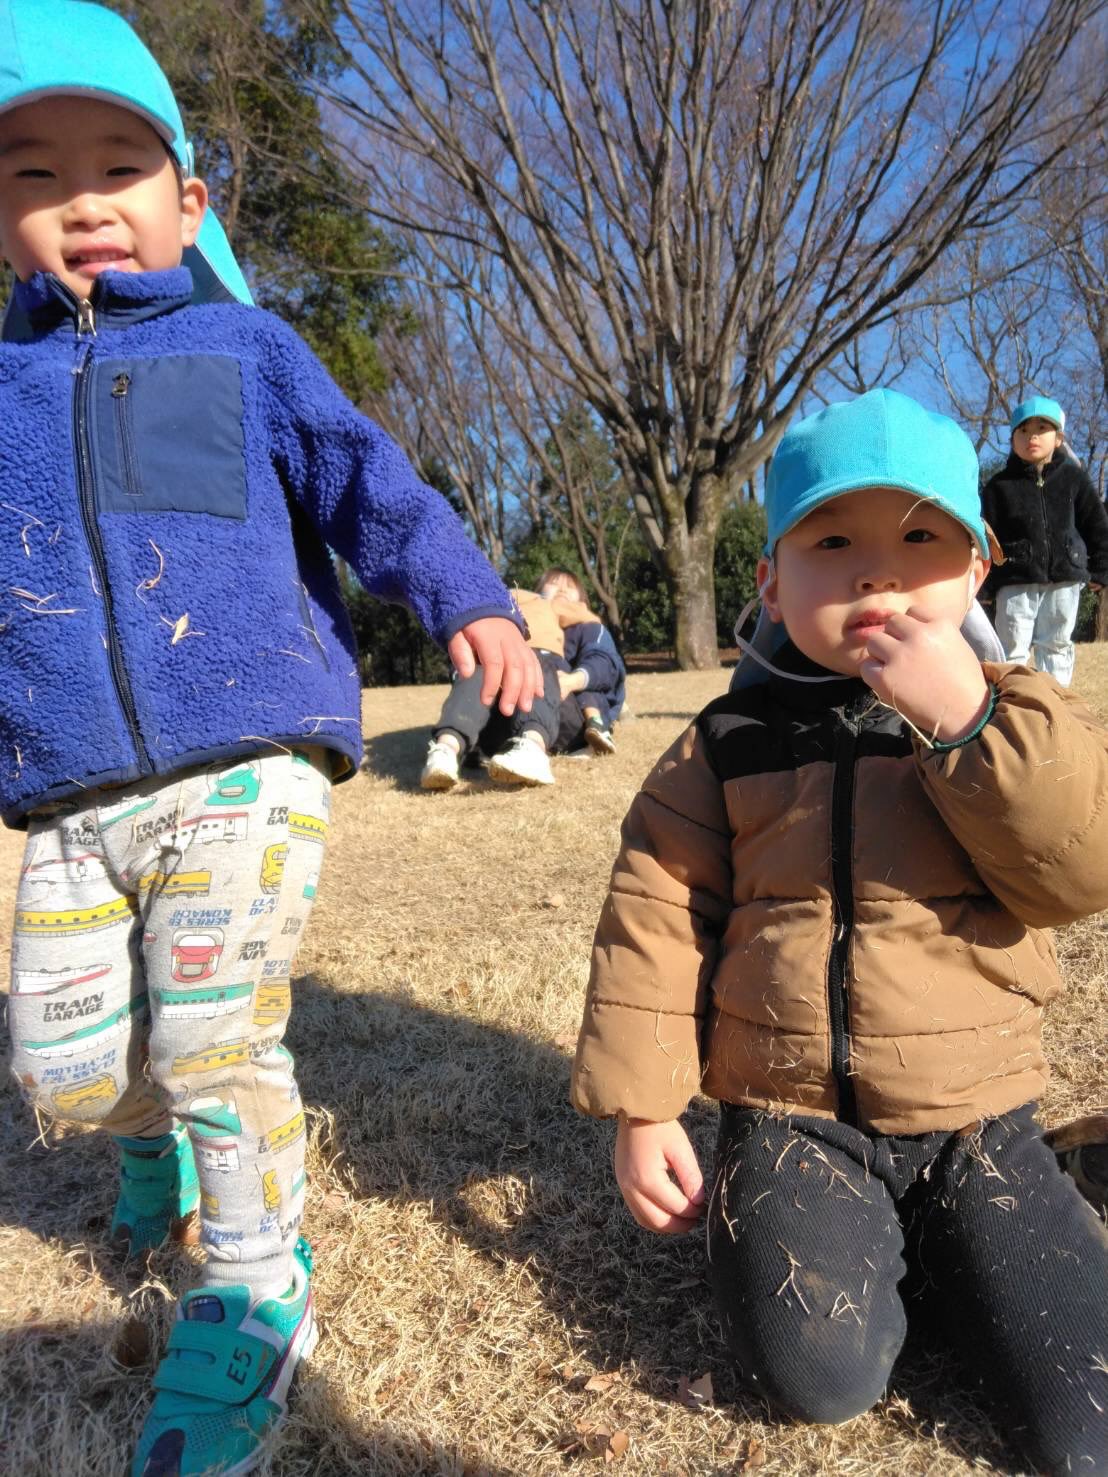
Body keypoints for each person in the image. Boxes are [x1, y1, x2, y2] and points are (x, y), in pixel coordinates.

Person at [0, 5, 540, 1475]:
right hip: (70, 789)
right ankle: (152, 1139)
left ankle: (251, 1285)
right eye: (36, 173)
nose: (82, 199)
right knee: (59, 1069)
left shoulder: (246, 348)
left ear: (189, 201)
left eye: (118, 164)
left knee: (215, 1036)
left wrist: (468, 598)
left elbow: (374, 485)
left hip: (244, 757)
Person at [571, 388, 1108, 1476]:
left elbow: (1078, 872)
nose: (876, 575)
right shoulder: (726, 740)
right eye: (831, 542)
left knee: (1088, 1421)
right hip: (794, 1116)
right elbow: (656, 913)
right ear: (770, 580)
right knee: (817, 1376)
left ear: (979, 565)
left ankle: (1015, 1207)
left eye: (919, 541)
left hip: (977, 1116)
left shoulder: (1016, 711)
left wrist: (966, 725)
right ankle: (908, 1247)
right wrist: (643, 1104)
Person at [421, 570, 624, 788]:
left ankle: (532, 746)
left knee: (533, 658)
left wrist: (571, 681)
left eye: (570, 586)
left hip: (562, 715)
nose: (562, 590)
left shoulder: (588, 626)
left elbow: (604, 664)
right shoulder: (517, 610)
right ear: (538, 591)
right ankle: (446, 749)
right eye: (554, 583)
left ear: (582, 598)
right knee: (485, 666)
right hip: (499, 715)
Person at [981, 395, 1108, 686]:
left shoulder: (1074, 479)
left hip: (1065, 576)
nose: (1032, 437)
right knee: (1011, 643)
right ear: (1012, 439)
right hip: (1014, 578)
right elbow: (986, 535)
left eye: (1042, 428)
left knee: (1057, 641)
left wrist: (1102, 567)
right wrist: (986, 583)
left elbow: (1096, 523)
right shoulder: (998, 487)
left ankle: (1055, 697)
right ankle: (1012, 696)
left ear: (1059, 438)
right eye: (1023, 430)